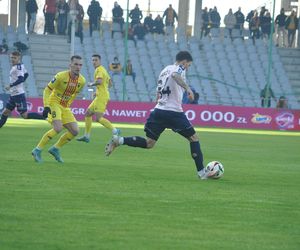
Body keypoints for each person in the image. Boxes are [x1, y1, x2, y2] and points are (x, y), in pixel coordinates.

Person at [105, 51, 209, 180]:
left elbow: (158, 92)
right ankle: (201, 172)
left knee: (149, 143)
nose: (188, 68)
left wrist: (159, 104)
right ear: (184, 62)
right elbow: (176, 75)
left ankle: (119, 140)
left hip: (159, 110)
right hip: (173, 112)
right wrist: (188, 89)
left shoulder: (164, 70)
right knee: (194, 138)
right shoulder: (179, 68)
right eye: (189, 65)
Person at [31, 55, 86, 163]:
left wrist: (68, 104)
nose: (78, 67)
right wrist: (46, 106)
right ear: (70, 65)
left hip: (65, 107)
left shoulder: (82, 81)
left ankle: (55, 149)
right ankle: (37, 150)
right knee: (58, 128)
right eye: (75, 64)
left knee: (75, 131)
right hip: (54, 103)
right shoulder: (60, 76)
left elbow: (74, 95)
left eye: (80, 65)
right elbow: (47, 90)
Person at [77, 54, 120, 143]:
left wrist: (91, 84)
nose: (94, 62)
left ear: (100, 61)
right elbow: (110, 83)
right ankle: (86, 136)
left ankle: (115, 131)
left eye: (96, 60)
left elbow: (99, 81)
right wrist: (99, 91)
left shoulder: (99, 70)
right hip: (100, 96)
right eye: (92, 60)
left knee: (98, 118)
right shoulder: (103, 69)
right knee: (88, 114)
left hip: (101, 97)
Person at [0, 51, 44, 128]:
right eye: (12, 57)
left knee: (25, 115)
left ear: (18, 58)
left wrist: (11, 85)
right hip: (14, 95)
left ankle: (44, 117)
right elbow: (26, 74)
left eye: (14, 58)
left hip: (18, 95)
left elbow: (21, 79)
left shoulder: (18, 67)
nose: (12, 59)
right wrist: (19, 84)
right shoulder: (20, 66)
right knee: (5, 112)